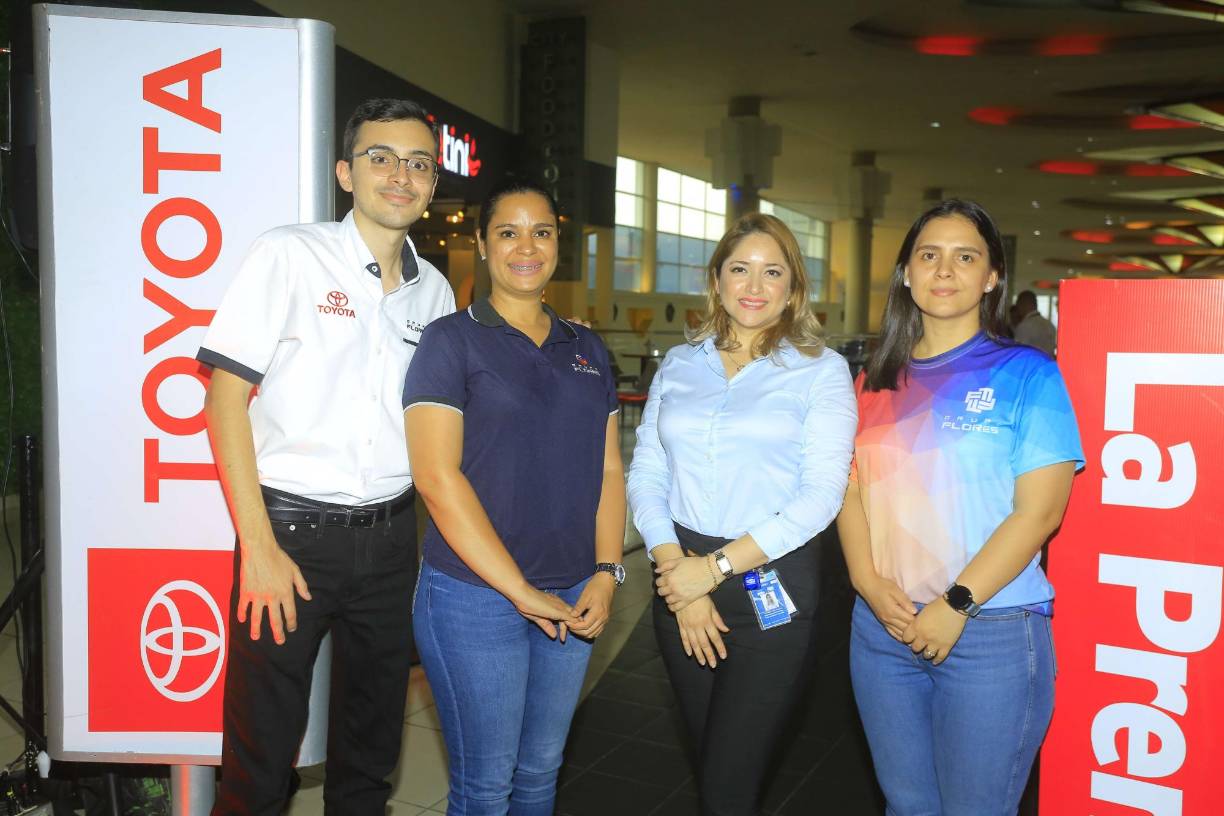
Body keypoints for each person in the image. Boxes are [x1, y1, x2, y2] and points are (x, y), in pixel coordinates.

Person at [197, 98, 455, 815]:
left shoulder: (435, 292)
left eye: (418, 163)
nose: (400, 175)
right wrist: (258, 547)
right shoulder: (289, 254)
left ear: (432, 185)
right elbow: (223, 401)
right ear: (346, 172)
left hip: (392, 538)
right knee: (260, 755)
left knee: (370, 752)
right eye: (381, 157)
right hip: (289, 535)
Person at [837, 199, 1083, 816]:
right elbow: (850, 490)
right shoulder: (872, 380)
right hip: (883, 627)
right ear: (906, 273)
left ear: (992, 276)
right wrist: (866, 580)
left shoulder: (1028, 374)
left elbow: (1039, 513)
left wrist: (955, 605)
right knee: (907, 805)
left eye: (965, 257)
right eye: (929, 255)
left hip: (988, 630)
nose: (944, 270)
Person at [403, 178, 627, 815]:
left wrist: (607, 571)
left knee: (539, 775)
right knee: (485, 788)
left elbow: (609, 469)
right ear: (481, 243)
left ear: (558, 243)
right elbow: (436, 478)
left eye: (541, 232)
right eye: (508, 232)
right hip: (475, 599)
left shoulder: (587, 348)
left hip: (573, 591)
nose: (526, 247)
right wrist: (520, 591)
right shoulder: (450, 341)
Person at [627, 213, 857, 815]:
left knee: (730, 783)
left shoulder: (821, 371)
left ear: (793, 287)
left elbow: (822, 495)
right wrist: (678, 574)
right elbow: (647, 472)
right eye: (740, 269)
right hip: (679, 580)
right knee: (711, 765)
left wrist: (714, 570)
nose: (754, 286)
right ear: (717, 279)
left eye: (772, 272)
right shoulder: (681, 364)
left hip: (770, 581)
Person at [1012, 289, 1057, 356]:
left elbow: (1020, 354)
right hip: (1048, 361)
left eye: (1018, 304)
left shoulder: (1024, 326)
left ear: (1022, 304)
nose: (1018, 308)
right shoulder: (1050, 325)